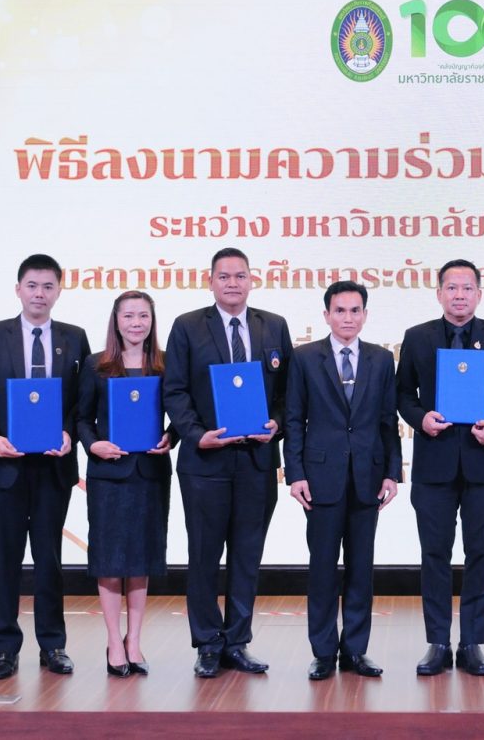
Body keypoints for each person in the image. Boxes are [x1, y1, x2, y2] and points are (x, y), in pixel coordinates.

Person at [162, 247, 292, 678]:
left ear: (252, 280)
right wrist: (196, 434)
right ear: (211, 282)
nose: (232, 283)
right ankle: (207, 643)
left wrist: (276, 424)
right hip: (206, 462)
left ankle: (237, 641)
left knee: (246, 555)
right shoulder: (187, 326)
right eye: (224, 276)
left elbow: (287, 392)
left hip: (256, 459)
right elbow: (174, 390)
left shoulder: (273, 326)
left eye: (240, 276)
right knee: (203, 554)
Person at [0, 253, 92, 679]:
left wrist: (69, 433)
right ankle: (4, 649)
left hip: (53, 467)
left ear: (59, 290)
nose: (40, 294)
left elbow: (82, 401)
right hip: (5, 464)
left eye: (48, 286)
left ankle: (53, 644)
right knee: (6, 559)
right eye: (32, 286)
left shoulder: (74, 337)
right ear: (18, 289)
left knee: (49, 558)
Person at [396, 258, 484, 677]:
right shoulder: (417, 337)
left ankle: (471, 643)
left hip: (483, 463)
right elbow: (402, 395)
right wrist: (421, 419)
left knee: (480, 554)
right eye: (452, 287)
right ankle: (437, 642)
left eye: (468, 288)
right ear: (439, 294)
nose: (460, 295)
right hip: (434, 464)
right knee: (434, 554)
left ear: (479, 294)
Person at [284, 280, 401, 680]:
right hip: (320, 478)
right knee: (322, 568)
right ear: (326, 315)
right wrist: (295, 474)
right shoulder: (304, 358)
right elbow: (294, 419)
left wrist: (392, 472)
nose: (347, 318)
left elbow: (388, 421)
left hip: (368, 476)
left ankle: (355, 650)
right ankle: (322, 652)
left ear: (365, 315)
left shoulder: (381, 359)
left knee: (360, 568)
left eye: (355, 311)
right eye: (340, 310)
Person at [76, 290, 173, 678]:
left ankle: (135, 641)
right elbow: (81, 418)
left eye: (143, 316)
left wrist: (171, 437)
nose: (136, 323)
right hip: (109, 474)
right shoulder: (96, 364)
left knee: (141, 559)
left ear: (152, 321)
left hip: (150, 472)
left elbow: (179, 411)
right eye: (129, 316)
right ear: (116, 321)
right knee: (110, 559)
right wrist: (92, 444)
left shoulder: (165, 363)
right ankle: (114, 641)